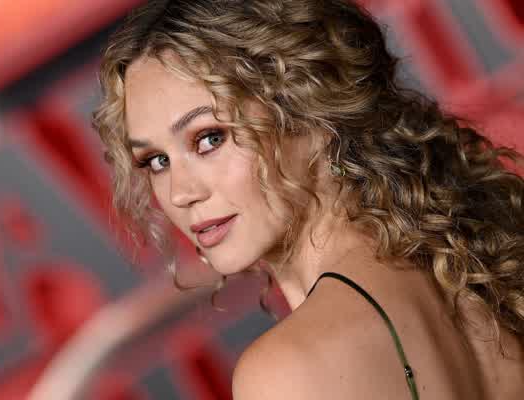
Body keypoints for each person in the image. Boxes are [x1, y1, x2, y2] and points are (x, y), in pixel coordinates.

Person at [93, 0, 524, 398]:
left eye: (210, 138)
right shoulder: (477, 284)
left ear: (312, 114)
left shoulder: (285, 369)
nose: (181, 193)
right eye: (156, 161)